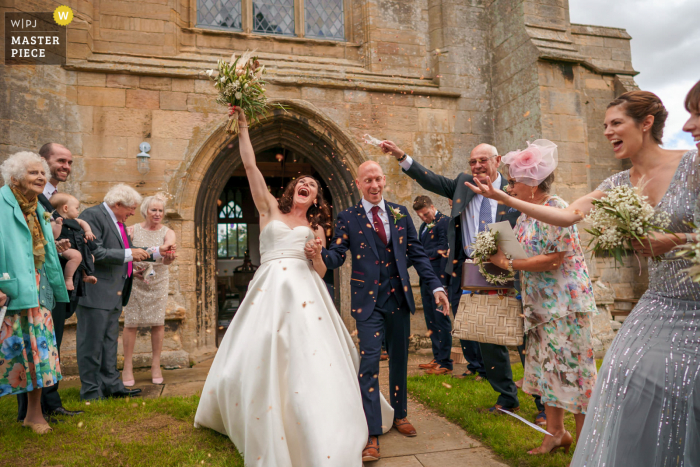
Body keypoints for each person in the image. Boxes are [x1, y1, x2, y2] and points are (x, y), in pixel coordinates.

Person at [467, 88, 700, 465]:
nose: (607, 131)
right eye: (604, 125)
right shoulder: (616, 183)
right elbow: (569, 215)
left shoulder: (693, 164)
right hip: (656, 303)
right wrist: (505, 200)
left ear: (647, 123)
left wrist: (676, 239)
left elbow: (555, 250)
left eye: (616, 123)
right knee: (620, 380)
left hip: (684, 302)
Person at [195, 106, 390, 467]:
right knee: (261, 349)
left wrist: (317, 254)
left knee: (309, 356)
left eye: (314, 186)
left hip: (305, 295)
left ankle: (314, 415)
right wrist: (242, 127)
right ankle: (255, 409)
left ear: (316, 198)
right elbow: (251, 167)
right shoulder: (269, 209)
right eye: (303, 183)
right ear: (292, 189)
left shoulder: (315, 229)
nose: (308, 186)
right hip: (268, 290)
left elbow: (319, 271)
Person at [315, 160, 451, 462]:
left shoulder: (401, 213)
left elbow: (417, 254)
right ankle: (372, 432)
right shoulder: (347, 217)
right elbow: (337, 255)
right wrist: (320, 252)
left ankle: (400, 414)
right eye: (368, 181)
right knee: (370, 362)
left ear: (384, 180)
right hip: (368, 302)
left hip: (399, 299)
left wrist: (437, 287)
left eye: (378, 179)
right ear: (358, 183)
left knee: (400, 359)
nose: (374, 185)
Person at [380, 140, 529, 415]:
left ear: (497, 161)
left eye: (483, 160)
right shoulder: (463, 184)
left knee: (522, 335)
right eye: (473, 162)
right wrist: (402, 156)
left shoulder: (514, 189)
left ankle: (543, 402)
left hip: (510, 267)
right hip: (473, 268)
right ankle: (507, 397)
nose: (477, 166)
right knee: (486, 335)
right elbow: (430, 180)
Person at [488, 140, 597, 454]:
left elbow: (554, 259)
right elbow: (522, 253)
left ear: (531, 184)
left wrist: (508, 263)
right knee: (548, 369)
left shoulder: (556, 208)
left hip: (566, 306)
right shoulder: (523, 217)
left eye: (513, 182)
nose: (509, 187)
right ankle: (555, 434)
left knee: (575, 371)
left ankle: (585, 445)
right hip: (539, 306)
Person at [76, 184, 168, 401]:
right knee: (91, 344)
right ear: (117, 204)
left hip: (115, 292)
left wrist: (155, 253)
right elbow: (95, 251)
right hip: (96, 291)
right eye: (130, 208)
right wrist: (130, 254)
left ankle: (112, 386)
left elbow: (126, 252)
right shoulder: (92, 215)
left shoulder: (118, 221)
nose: (133, 213)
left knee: (109, 343)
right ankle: (90, 392)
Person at [15, 143, 85, 422]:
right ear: (42, 162)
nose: (66, 166)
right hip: (33, 279)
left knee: (51, 341)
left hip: (54, 280)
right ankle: (28, 411)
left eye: (69, 162)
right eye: (60, 161)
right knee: (30, 344)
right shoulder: (26, 197)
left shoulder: (58, 197)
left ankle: (51, 402)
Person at [0, 151, 69, 434]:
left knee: (39, 354)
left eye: (42, 172)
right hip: (10, 291)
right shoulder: (2, 204)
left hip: (37, 290)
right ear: (15, 178)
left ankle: (33, 415)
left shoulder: (37, 207)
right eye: (33, 173)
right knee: (10, 356)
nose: (41, 177)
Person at [121, 193, 177, 386]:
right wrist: (130, 270)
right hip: (136, 280)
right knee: (131, 323)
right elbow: (124, 253)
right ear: (145, 211)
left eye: (160, 210)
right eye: (154, 210)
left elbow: (168, 248)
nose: (157, 213)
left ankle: (156, 365)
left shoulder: (168, 232)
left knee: (158, 323)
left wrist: (169, 257)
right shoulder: (132, 230)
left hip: (158, 280)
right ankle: (127, 366)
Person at [412, 195, 452, 375]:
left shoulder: (444, 222)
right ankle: (437, 357)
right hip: (426, 279)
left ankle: (446, 362)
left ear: (432, 207)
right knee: (430, 320)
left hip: (439, 278)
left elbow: (444, 249)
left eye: (426, 214)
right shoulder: (423, 226)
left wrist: (420, 255)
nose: (424, 218)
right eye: (420, 216)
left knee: (441, 320)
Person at [49, 193, 98, 291]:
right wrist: (58, 225)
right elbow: (54, 236)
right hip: (62, 247)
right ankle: (68, 279)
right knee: (76, 256)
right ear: (65, 208)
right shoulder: (53, 222)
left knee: (90, 256)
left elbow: (83, 223)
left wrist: (88, 231)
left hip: (76, 246)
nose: (78, 211)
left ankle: (85, 275)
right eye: (76, 208)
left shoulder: (75, 220)